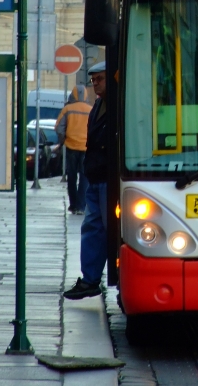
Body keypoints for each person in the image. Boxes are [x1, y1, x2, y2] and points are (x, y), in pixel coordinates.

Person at [63, 61, 110, 300]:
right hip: (95, 177)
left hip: (108, 179)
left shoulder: (118, 105)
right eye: (93, 80)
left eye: (99, 79)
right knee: (92, 228)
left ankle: (103, 278)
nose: (95, 84)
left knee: (107, 229)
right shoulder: (97, 105)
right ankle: (90, 279)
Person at [55, 84, 92, 215]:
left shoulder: (67, 109)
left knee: (71, 177)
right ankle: (81, 206)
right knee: (84, 177)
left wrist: (63, 141)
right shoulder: (91, 110)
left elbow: (59, 128)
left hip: (71, 147)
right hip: (86, 148)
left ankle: (73, 204)